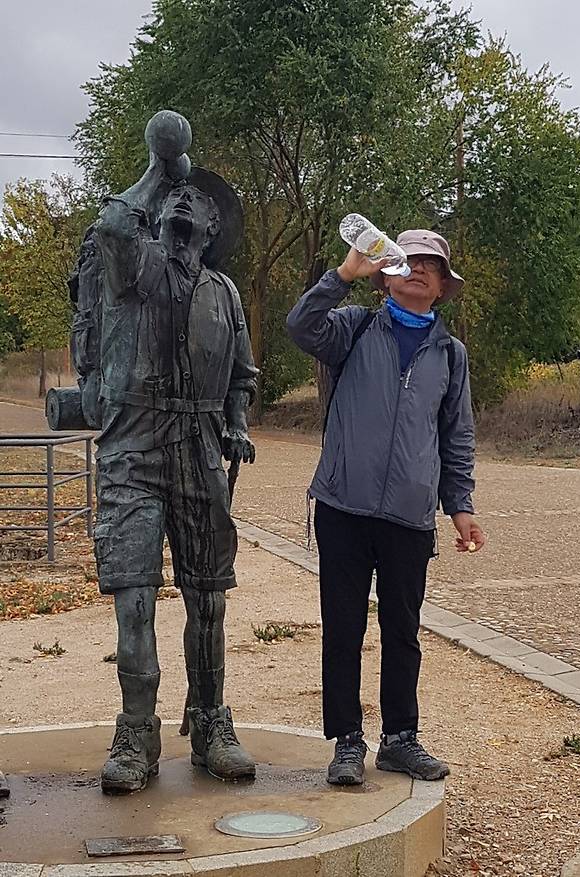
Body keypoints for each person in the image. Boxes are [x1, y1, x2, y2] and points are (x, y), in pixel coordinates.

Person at [287, 229, 485, 785]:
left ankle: (400, 739)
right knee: (342, 628)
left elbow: (456, 434)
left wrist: (460, 505)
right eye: (406, 261)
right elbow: (300, 326)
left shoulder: (450, 354)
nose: (418, 270)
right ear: (385, 277)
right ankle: (346, 741)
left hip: (408, 514)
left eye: (431, 265)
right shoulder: (353, 327)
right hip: (343, 507)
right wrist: (344, 273)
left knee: (403, 630)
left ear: (443, 286)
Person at [91, 143, 258, 793]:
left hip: (197, 446)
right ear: (158, 211)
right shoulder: (134, 268)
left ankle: (212, 721)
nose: (190, 201)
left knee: (207, 598)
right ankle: (136, 730)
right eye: (179, 196)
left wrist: (238, 424)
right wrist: (159, 172)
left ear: (215, 229)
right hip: (134, 445)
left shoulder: (224, 291)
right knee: (134, 597)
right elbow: (110, 226)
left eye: (203, 202)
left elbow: (242, 375)